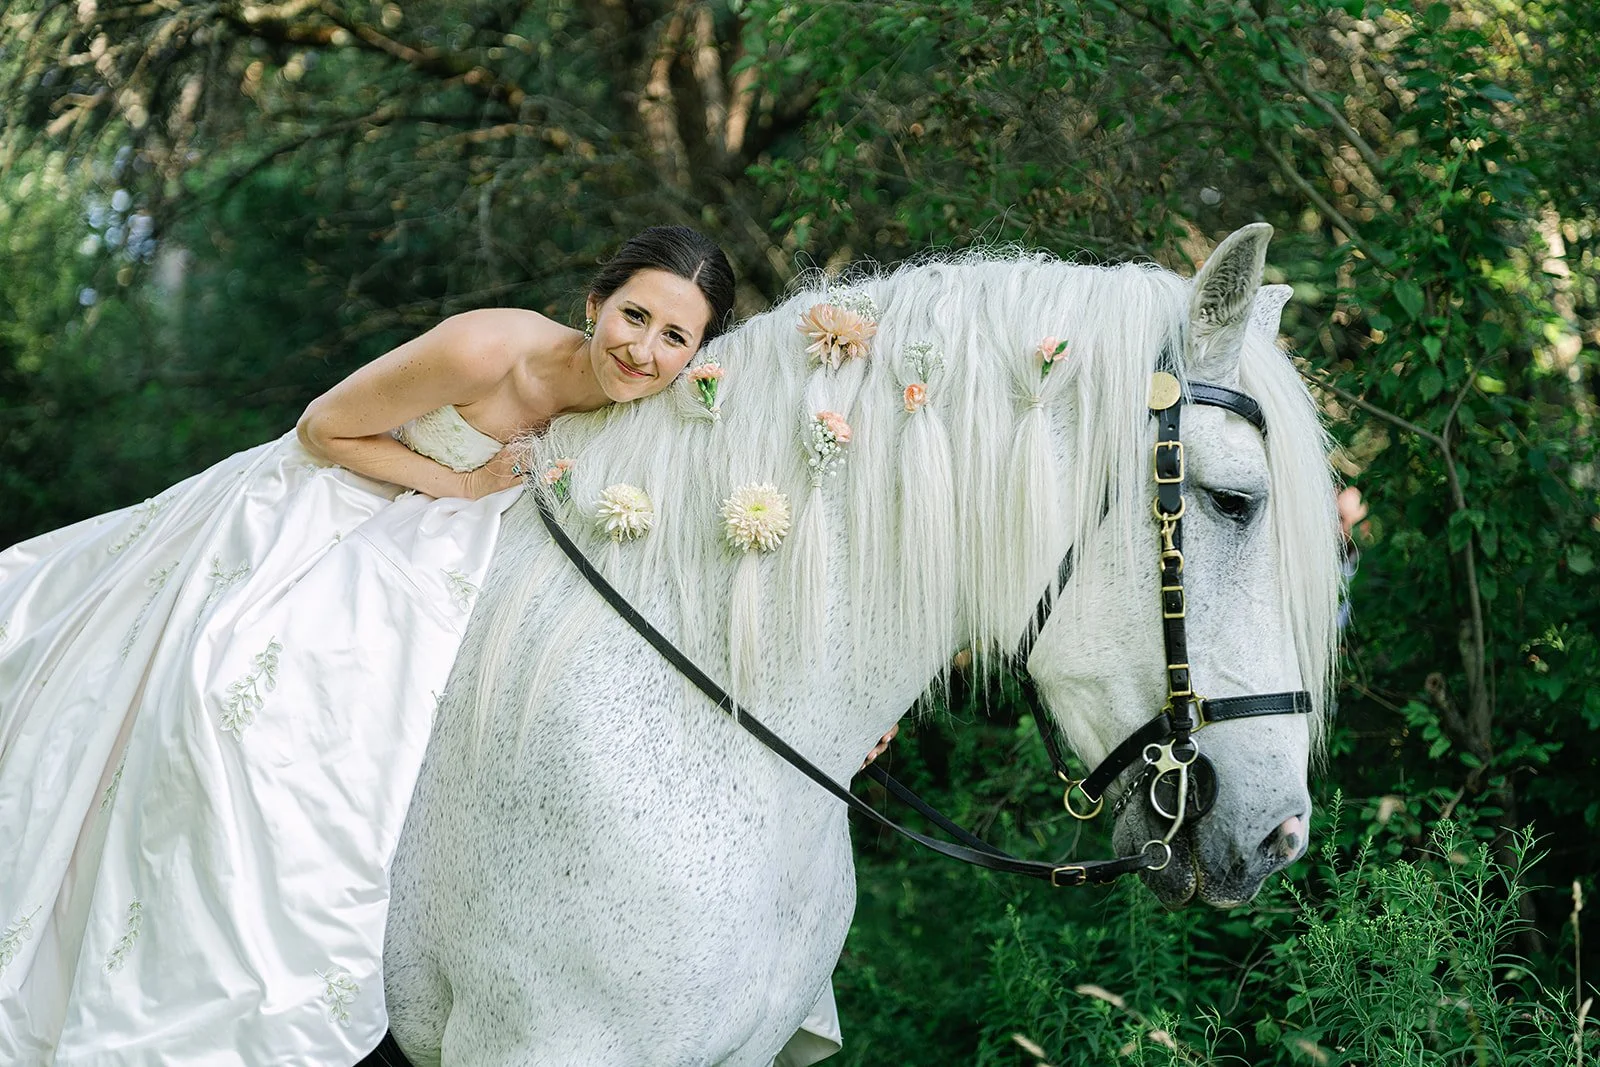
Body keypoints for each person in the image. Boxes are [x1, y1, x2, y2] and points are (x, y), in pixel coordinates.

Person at [0, 225, 854, 1065]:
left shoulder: (673, 398)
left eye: (676, 336)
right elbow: (322, 430)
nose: (644, 351)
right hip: (339, 502)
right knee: (240, 685)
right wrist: (466, 483)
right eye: (634, 317)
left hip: (467, 540)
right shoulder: (487, 348)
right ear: (595, 303)